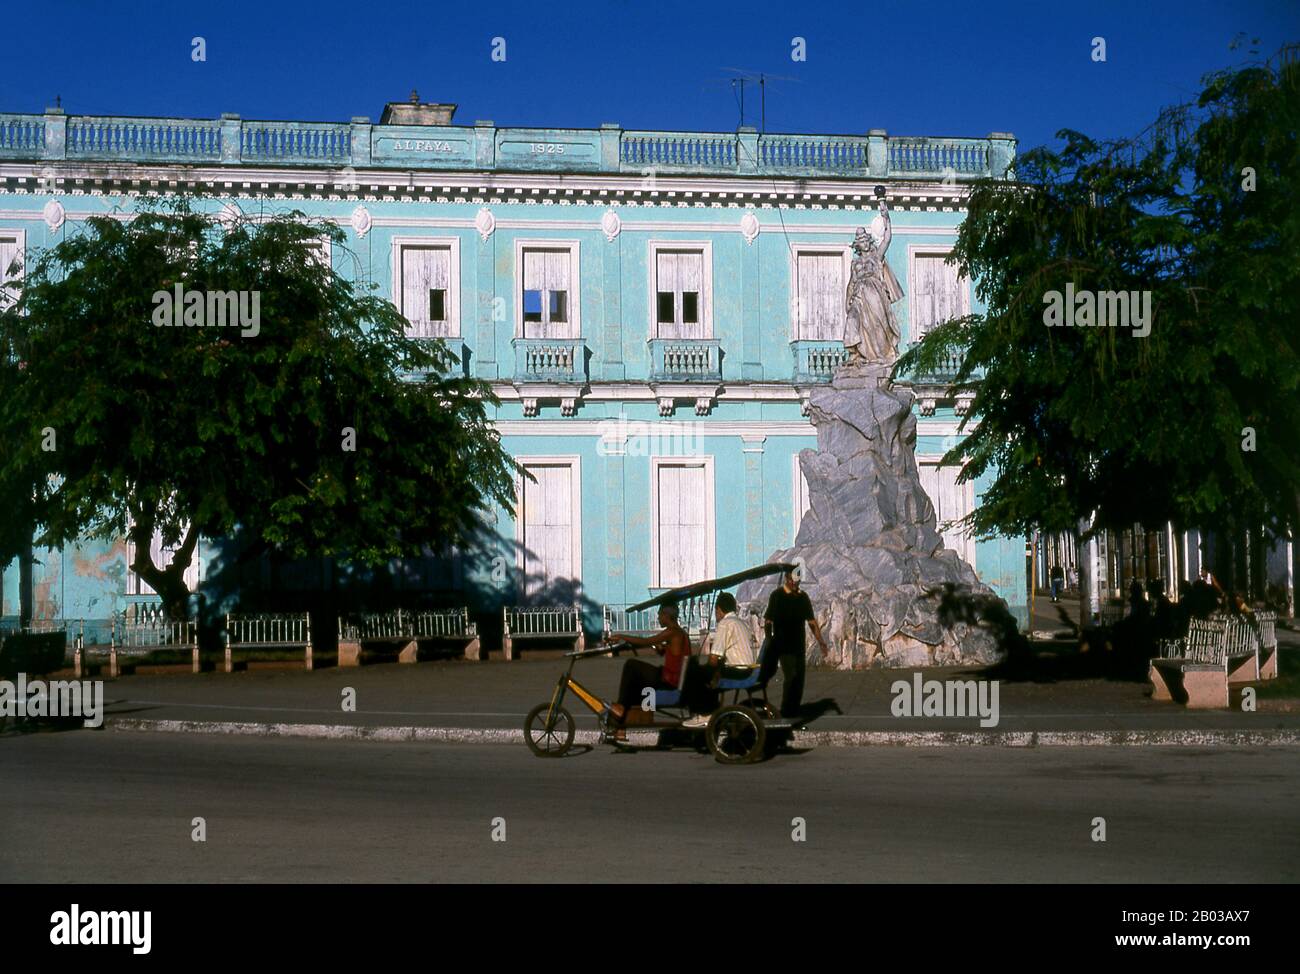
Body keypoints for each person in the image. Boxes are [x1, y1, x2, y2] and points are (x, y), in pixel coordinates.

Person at [606, 603, 691, 741]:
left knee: (631, 665)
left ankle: (621, 707)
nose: (658, 617)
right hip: (671, 677)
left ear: (666, 615)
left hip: (669, 680)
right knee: (634, 685)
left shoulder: (672, 631)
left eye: (659, 614)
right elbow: (674, 653)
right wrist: (662, 649)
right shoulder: (680, 633)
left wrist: (622, 636)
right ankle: (621, 729)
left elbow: (646, 641)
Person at [762, 566, 831, 719]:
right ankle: (786, 712)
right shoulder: (777, 595)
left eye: (797, 581)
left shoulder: (803, 597)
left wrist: (821, 642)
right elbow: (768, 620)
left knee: (799, 680)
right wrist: (769, 639)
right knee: (791, 676)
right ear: (787, 578)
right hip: (782, 645)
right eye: (792, 581)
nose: (794, 584)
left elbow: (811, 622)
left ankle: (793, 711)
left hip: (798, 646)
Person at [681, 592, 758, 729]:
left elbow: (714, 657)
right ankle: (710, 708)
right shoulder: (740, 623)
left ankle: (705, 713)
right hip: (747, 668)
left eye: (716, 610)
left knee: (696, 673)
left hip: (737, 670)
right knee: (707, 671)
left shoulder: (725, 624)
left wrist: (706, 668)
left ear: (719, 609)